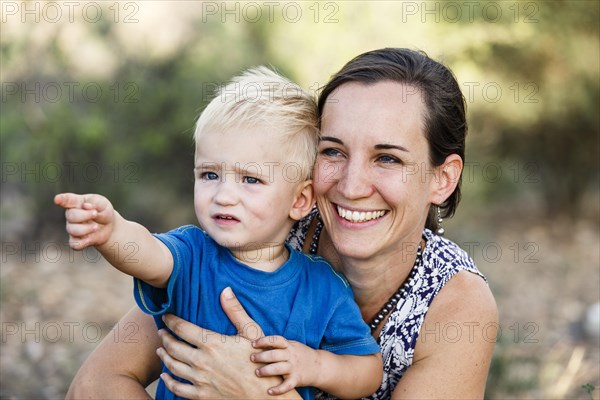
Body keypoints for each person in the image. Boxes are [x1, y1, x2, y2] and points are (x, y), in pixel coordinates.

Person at [65, 48, 498, 399]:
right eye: (333, 151)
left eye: (387, 158)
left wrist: (256, 391)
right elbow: (94, 386)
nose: (352, 185)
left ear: (442, 178)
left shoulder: (456, 305)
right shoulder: (260, 232)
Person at [56, 67, 383, 400]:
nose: (224, 194)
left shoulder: (322, 287)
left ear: (299, 200)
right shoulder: (192, 254)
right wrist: (112, 232)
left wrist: (315, 365)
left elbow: (367, 369)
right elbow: (147, 254)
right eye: (210, 174)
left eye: (250, 180)